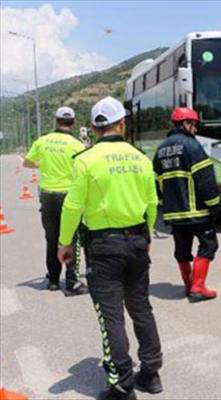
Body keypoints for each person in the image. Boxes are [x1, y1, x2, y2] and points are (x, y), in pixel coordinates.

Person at [57, 97, 163, 399]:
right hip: (137, 242)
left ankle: (121, 383)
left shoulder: (85, 160)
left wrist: (65, 243)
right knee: (141, 307)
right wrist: (148, 237)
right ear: (123, 124)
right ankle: (151, 373)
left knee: (111, 315)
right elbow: (152, 204)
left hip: (103, 247)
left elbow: (73, 206)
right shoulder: (141, 158)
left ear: (92, 128)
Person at [153, 107, 220, 303]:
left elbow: (156, 183)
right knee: (209, 245)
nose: (196, 129)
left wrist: (164, 205)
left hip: (174, 214)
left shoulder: (160, 150)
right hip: (196, 211)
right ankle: (198, 287)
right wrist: (214, 205)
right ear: (185, 124)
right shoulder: (192, 146)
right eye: (194, 125)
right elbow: (206, 179)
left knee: (182, 250)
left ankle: (188, 285)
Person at [23, 106, 87, 295]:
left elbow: (26, 163)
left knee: (51, 239)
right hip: (68, 197)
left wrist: (42, 164)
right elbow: (84, 171)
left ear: (56, 121)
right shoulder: (77, 146)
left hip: (48, 197)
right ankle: (72, 282)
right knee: (70, 238)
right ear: (73, 122)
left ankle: (52, 280)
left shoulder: (42, 142)